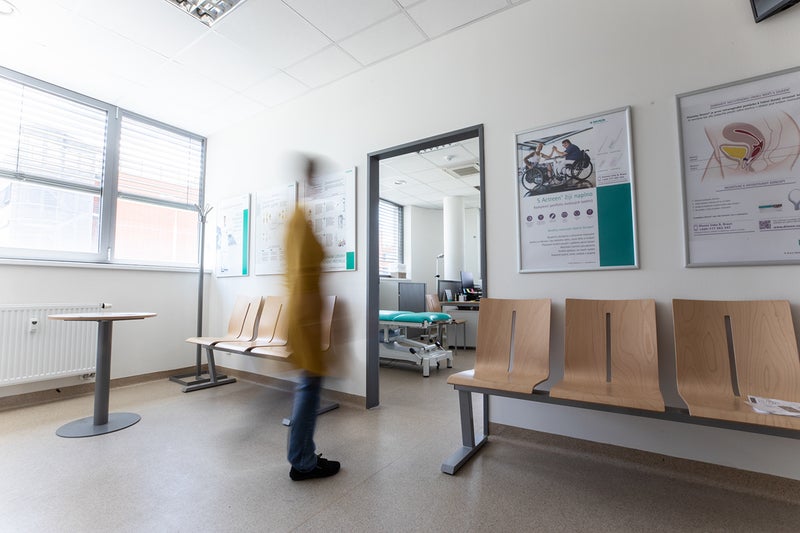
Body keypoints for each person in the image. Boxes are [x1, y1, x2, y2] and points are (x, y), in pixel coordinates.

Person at [284, 156, 340, 481]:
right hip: (305, 315)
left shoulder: (298, 220)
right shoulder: (299, 222)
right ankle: (302, 461)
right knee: (309, 387)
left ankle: (302, 455)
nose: (318, 184)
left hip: (304, 313)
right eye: (315, 177)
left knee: (308, 387)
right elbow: (303, 278)